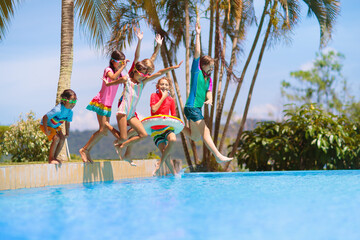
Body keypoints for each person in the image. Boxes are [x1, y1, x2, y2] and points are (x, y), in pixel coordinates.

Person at [114, 29, 183, 165]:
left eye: (149, 72)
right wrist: (139, 40)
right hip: (124, 103)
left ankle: (127, 152)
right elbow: (137, 56)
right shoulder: (136, 69)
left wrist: (158, 46)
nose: (147, 74)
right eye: (147, 72)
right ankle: (121, 144)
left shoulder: (144, 76)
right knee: (129, 133)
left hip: (132, 109)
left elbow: (154, 61)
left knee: (138, 131)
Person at [181, 18, 233, 164]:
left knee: (195, 137)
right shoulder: (196, 71)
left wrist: (209, 99)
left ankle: (176, 125)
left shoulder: (208, 78)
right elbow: (197, 52)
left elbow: (209, 91)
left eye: (212, 67)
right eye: (209, 66)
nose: (211, 69)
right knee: (206, 131)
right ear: (202, 65)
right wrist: (198, 34)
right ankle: (217, 155)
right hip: (191, 107)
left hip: (196, 108)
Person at [79, 50, 129, 163]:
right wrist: (123, 67)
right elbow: (112, 78)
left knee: (104, 131)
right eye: (119, 62)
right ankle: (84, 149)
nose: (121, 64)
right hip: (101, 102)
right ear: (112, 61)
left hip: (108, 105)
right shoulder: (108, 70)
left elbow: (124, 80)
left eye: (122, 63)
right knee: (102, 129)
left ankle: (86, 150)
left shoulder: (120, 73)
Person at [150, 77, 179, 176]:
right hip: (156, 129)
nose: (164, 86)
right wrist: (163, 97)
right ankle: (174, 174)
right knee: (165, 153)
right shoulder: (154, 96)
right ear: (157, 86)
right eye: (162, 84)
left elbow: (174, 116)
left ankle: (159, 165)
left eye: (166, 85)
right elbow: (154, 109)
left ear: (169, 87)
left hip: (166, 127)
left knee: (173, 139)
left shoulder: (171, 100)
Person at [40, 89, 77, 164]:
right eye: (71, 101)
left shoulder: (70, 112)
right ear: (64, 100)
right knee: (56, 138)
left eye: (75, 101)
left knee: (62, 139)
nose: (73, 104)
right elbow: (45, 117)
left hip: (55, 126)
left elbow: (67, 122)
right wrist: (46, 130)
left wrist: (67, 132)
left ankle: (54, 158)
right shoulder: (57, 110)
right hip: (46, 125)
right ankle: (51, 159)